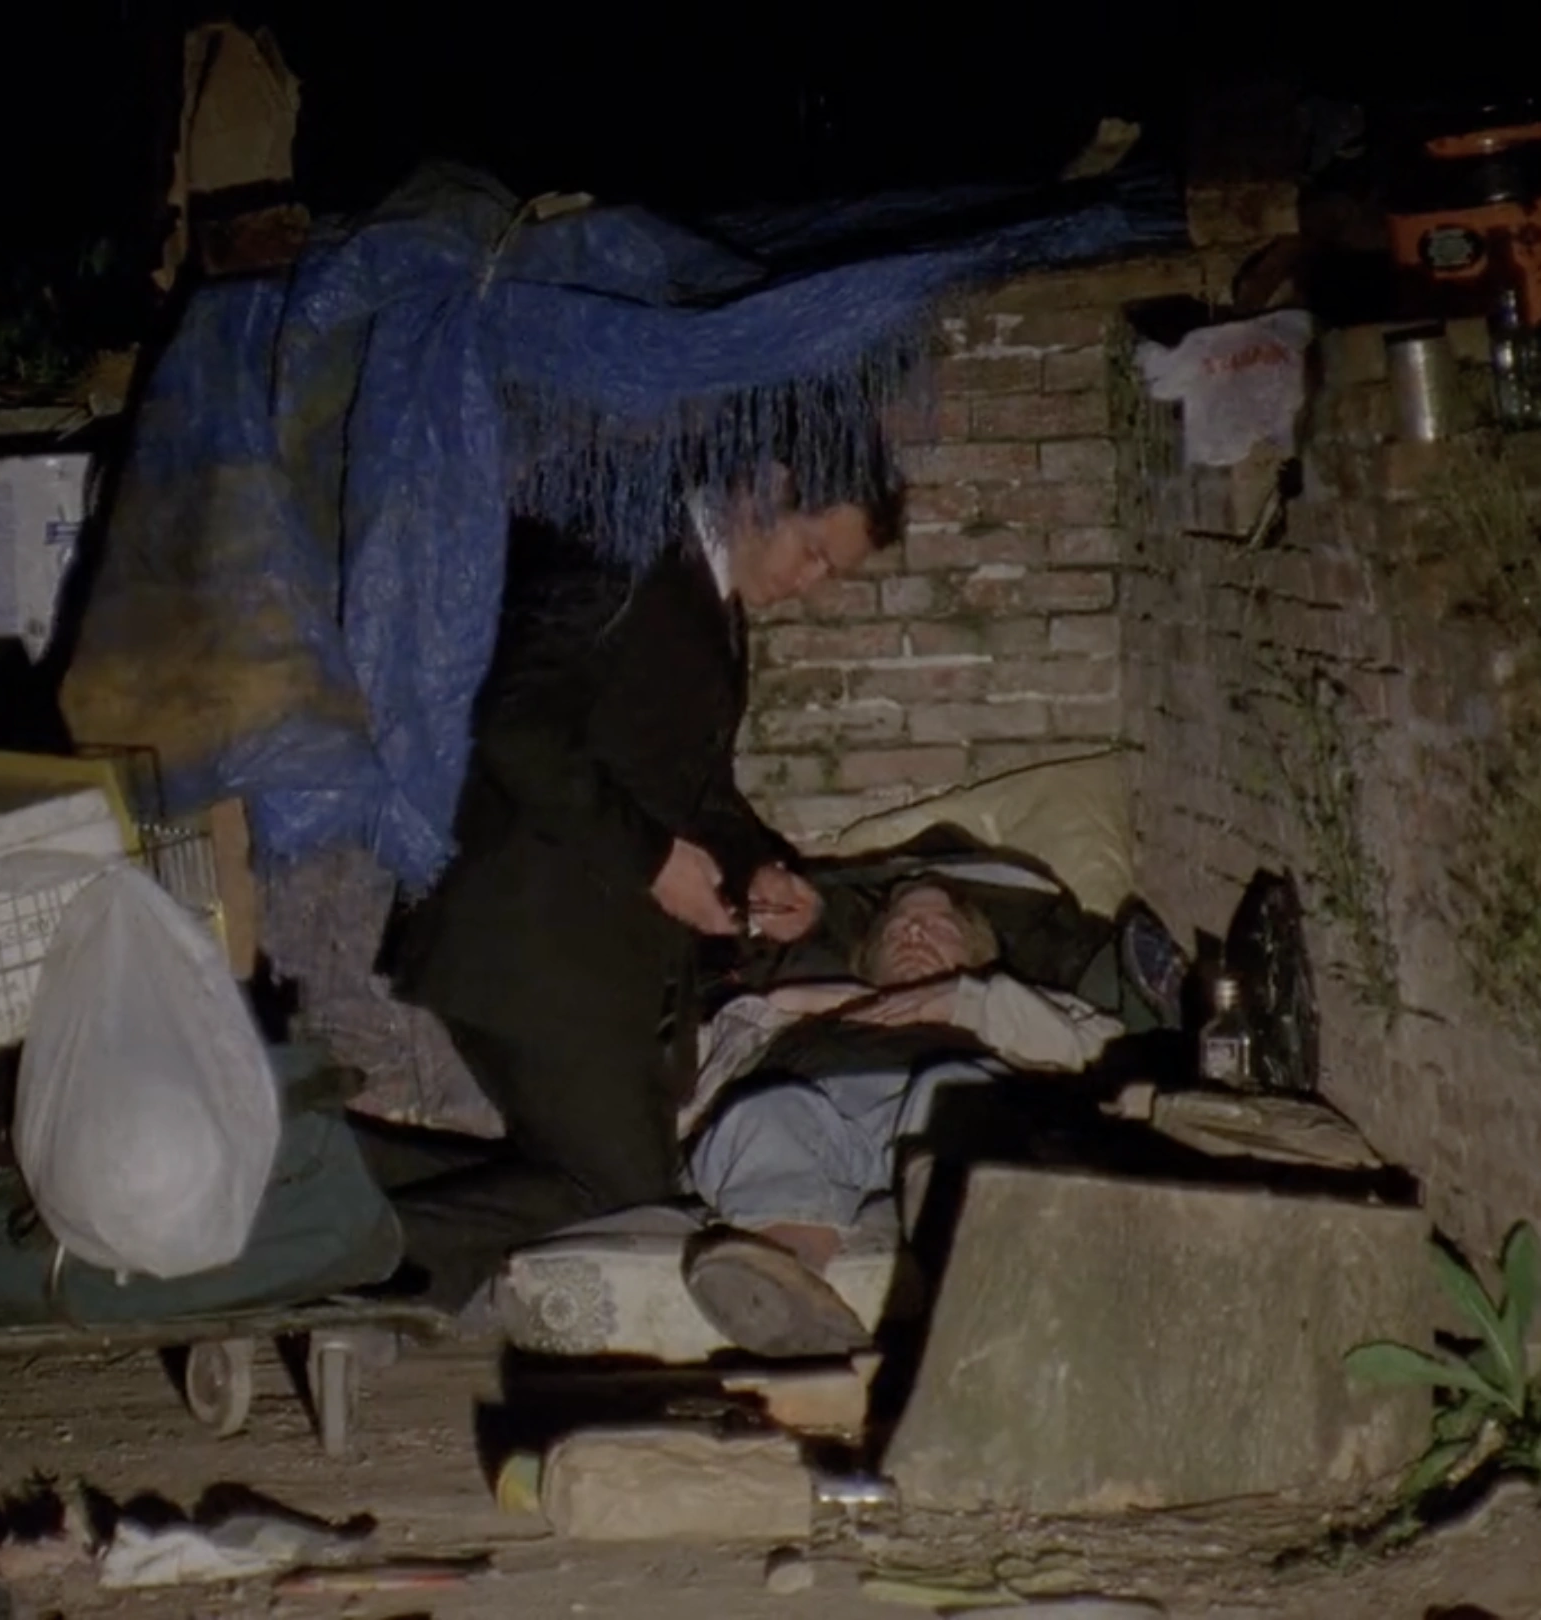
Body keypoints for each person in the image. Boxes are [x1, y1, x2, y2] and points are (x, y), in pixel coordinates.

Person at [373, 435, 905, 1311]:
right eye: (813, 551)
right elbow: (514, 726)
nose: (810, 584)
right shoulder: (623, 546)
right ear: (769, 485)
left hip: (590, 956)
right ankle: (315, 1245)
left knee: (613, 1192)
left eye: (829, 572)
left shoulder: (711, 601)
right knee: (620, 1206)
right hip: (523, 939)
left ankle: (309, 1187)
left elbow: (691, 790)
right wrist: (653, 862)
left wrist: (757, 867)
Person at [677, 878, 1123, 1356]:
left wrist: (964, 1001)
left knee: (952, 1090)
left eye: (940, 927)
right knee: (766, 1109)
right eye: (897, 929)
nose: (913, 934)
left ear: (979, 953)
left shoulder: (1013, 1005)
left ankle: (978, 1300)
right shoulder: (791, 1017)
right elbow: (688, 1102)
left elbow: (1107, 1051)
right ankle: (794, 1288)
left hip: (940, 1125)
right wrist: (785, 1004)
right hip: (820, 1131)